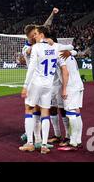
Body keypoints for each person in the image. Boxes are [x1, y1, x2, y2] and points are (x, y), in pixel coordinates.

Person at [19, 26, 69, 154]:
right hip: (48, 85)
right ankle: (43, 145)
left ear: (40, 34)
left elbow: (31, 68)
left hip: (35, 83)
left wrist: (25, 86)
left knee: (29, 109)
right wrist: (50, 42)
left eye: (37, 34)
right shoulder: (54, 46)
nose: (35, 36)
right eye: (33, 34)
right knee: (44, 112)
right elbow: (70, 47)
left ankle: (30, 143)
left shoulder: (37, 47)